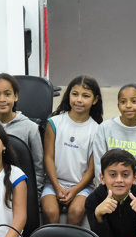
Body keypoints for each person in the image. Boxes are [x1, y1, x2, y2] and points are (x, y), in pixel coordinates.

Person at [41, 74, 102, 226]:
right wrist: (56, 186)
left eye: (85, 96)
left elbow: (91, 169)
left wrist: (74, 190)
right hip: (53, 183)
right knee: (50, 212)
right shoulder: (54, 123)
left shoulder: (97, 130)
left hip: (82, 187)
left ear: (95, 100)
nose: (79, 100)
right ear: (68, 96)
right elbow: (48, 157)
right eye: (75, 94)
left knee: (76, 211)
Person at [91, 83, 136, 191]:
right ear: (118, 105)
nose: (128, 105)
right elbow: (99, 165)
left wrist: (130, 186)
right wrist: (113, 186)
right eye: (123, 102)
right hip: (109, 189)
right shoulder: (104, 129)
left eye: (134, 101)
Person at [85, 148, 136, 237]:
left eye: (125, 175)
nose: (119, 180)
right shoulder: (93, 201)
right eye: (112, 175)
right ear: (102, 178)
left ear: (135, 178)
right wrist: (98, 216)